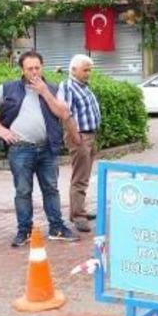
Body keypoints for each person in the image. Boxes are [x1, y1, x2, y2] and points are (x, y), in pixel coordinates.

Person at [0, 50, 79, 246]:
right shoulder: (9, 88)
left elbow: (63, 113)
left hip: (46, 148)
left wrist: (45, 92)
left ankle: (56, 228)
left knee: (51, 189)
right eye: (29, 69)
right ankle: (24, 231)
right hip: (20, 149)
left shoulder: (53, 88)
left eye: (37, 68)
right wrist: (0, 129)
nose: (34, 72)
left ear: (42, 67)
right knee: (23, 191)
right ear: (22, 70)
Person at [59, 54, 102, 232]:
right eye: (85, 70)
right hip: (80, 137)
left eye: (89, 70)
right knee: (80, 178)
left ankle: (79, 210)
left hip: (89, 136)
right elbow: (64, 114)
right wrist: (76, 137)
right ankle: (78, 216)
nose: (88, 73)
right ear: (74, 69)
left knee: (84, 176)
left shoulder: (82, 86)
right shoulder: (68, 86)